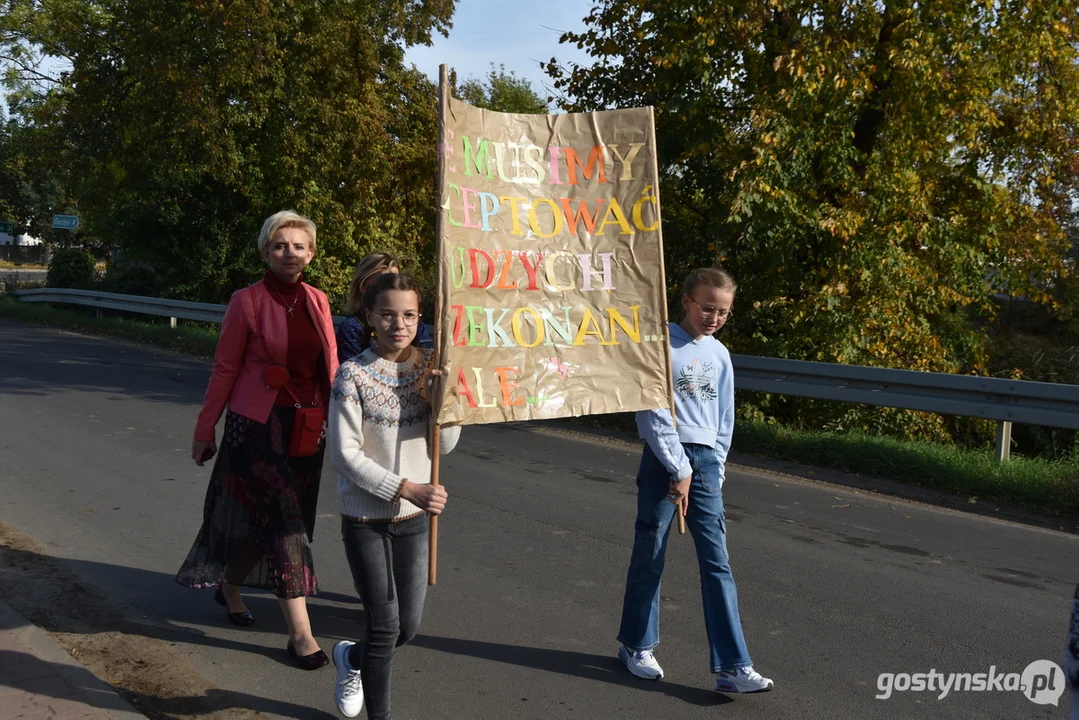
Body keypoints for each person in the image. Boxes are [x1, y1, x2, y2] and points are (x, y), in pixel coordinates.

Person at [176, 210, 338, 671]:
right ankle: (301, 635)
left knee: (272, 519)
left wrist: (345, 423)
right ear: (266, 250)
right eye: (280, 245)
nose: (290, 252)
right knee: (285, 522)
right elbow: (225, 368)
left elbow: (329, 369)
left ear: (312, 252)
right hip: (256, 426)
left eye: (299, 245)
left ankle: (230, 583)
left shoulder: (317, 300)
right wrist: (205, 429)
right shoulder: (245, 301)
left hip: (308, 426)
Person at [616, 267, 774, 694]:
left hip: (703, 463)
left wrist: (714, 469)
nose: (714, 317)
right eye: (707, 307)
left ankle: (733, 667)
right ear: (686, 300)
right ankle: (636, 645)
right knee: (651, 553)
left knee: (717, 562)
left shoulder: (720, 354)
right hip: (665, 457)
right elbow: (650, 413)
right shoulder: (660, 344)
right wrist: (678, 468)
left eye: (723, 311)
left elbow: (725, 418)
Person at [326, 271, 460, 719]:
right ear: (369, 317)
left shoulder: (431, 367)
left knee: (408, 627)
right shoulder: (352, 374)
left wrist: (444, 404)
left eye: (408, 314)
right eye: (386, 314)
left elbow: (443, 445)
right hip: (365, 520)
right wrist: (406, 488)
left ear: (419, 317)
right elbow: (344, 456)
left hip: (414, 521)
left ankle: (351, 658)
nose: (398, 324)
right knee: (384, 627)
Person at [336, 252, 433, 363]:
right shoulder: (351, 328)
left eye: (396, 280)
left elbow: (425, 355)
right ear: (363, 286)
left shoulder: (412, 323)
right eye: (384, 282)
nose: (399, 325)